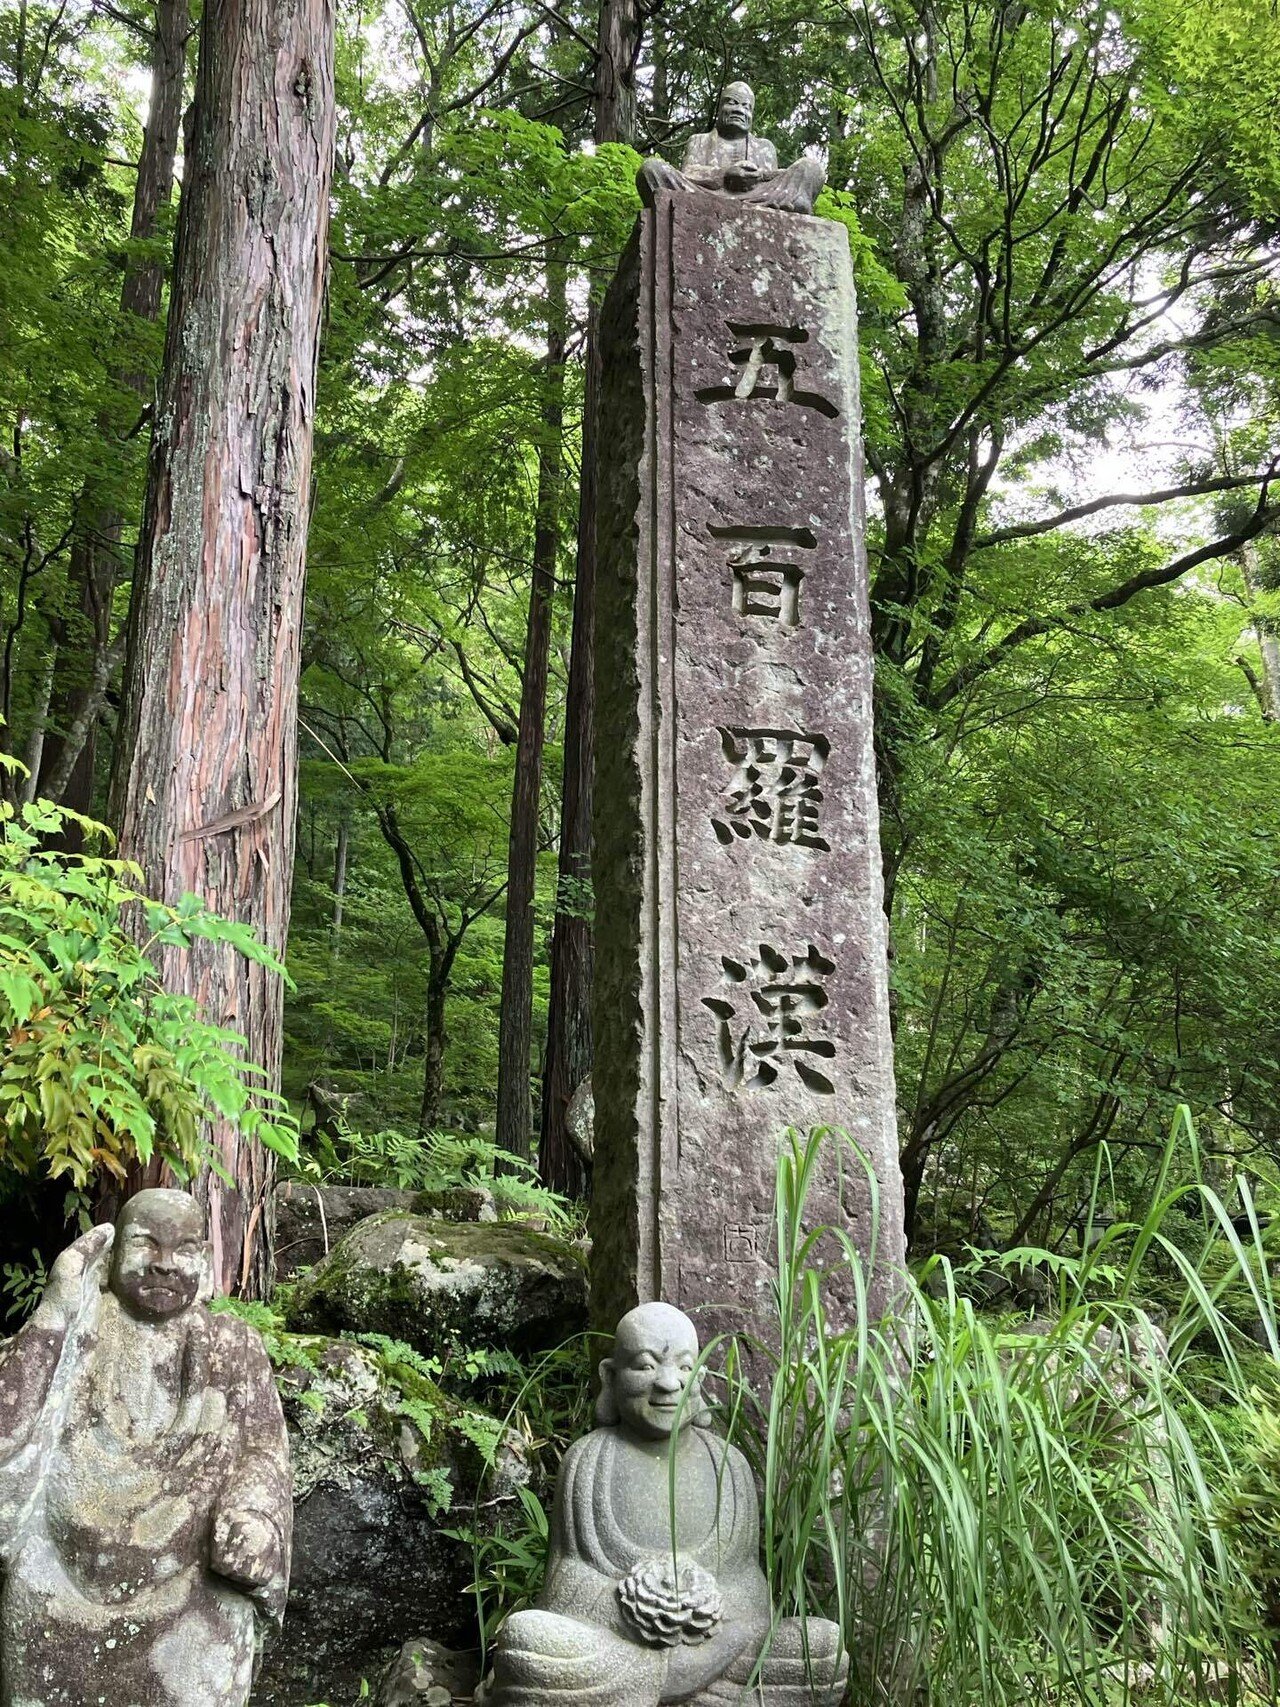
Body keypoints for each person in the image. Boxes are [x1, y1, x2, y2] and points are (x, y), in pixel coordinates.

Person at [0, 1190, 292, 1707]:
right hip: (57, 1587)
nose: (164, 1264)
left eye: (184, 1249)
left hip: (192, 1594)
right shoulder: (73, 1329)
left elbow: (262, 1453)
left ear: (204, 1258)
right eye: (145, 1244)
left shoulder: (234, 1346)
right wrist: (53, 1315)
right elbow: (11, 1433)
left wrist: (254, 1517)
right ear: (112, 1256)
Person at [483, 1301, 847, 1705]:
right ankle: (681, 1690)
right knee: (526, 1642)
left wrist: (702, 1612)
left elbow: (750, 1585)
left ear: (701, 1378)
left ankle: (657, 1691)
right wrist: (638, 1607)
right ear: (610, 1376)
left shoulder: (728, 1464)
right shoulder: (587, 1461)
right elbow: (565, 1583)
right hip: (617, 1648)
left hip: (718, 1647)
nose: (669, 1383)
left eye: (685, 1367)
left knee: (821, 1650)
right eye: (645, 1365)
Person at [639, 82, 825, 216]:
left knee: (810, 167)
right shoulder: (699, 141)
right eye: (732, 103)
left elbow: (771, 180)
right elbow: (690, 172)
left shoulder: (764, 147)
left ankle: (785, 203)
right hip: (707, 194)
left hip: (759, 198)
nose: (740, 110)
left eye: (746, 106)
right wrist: (725, 174)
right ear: (720, 108)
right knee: (651, 168)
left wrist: (758, 176)